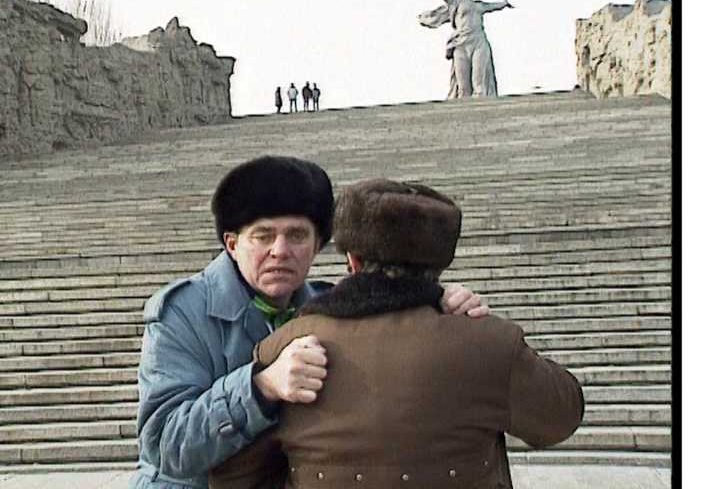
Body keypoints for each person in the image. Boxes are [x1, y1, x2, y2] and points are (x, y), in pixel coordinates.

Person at [131, 157, 491, 489]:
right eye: (263, 235)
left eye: (297, 235)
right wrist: (260, 387)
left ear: (319, 244)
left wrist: (436, 302)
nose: (280, 250)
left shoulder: (328, 306)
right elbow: (164, 444)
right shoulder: (182, 312)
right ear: (231, 243)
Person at [211, 178, 584, 489]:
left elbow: (233, 474)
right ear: (438, 266)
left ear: (352, 261)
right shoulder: (488, 342)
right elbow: (560, 417)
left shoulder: (284, 348)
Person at [418, 0, 513, 99]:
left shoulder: (478, 5)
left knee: (479, 86)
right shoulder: (454, 2)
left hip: (478, 42)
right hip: (461, 43)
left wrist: (504, 3)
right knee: (463, 90)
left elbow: (494, 6)